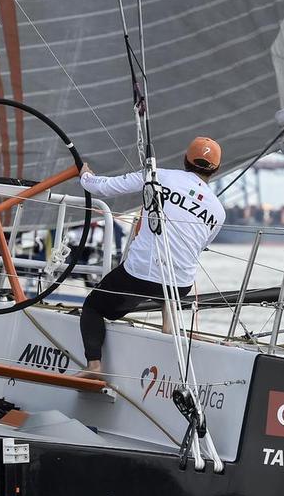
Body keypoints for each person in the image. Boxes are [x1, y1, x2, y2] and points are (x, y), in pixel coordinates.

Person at [78, 137, 225, 377]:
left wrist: (85, 176)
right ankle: (169, 328)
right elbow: (200, 246)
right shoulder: (219, 211)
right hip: (180, 286)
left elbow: (101, 187)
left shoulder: (159, 176)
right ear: (216, 169)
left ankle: (94, 365)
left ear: (185, 160)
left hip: (139, 277)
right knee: (169, 276)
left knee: (94, 307)